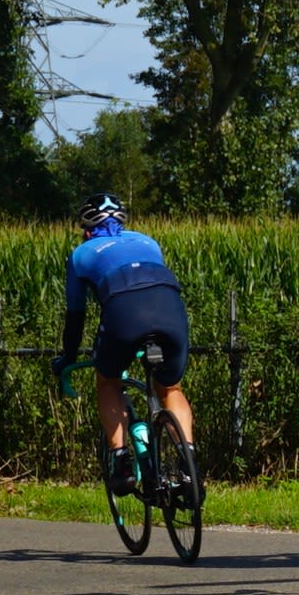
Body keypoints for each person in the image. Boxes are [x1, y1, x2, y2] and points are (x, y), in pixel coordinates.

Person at [54, 194, 196, 498]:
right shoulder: (149, 242)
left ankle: (120, 460)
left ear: (88, 229)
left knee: (108, 382)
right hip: (170, 308)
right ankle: (189, 469)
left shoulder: (81, 254)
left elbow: (75, 316)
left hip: (123, 314)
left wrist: (67, 357)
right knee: (171, 389)